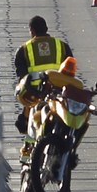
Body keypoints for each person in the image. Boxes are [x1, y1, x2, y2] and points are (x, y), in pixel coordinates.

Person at [13, 16, 73, 157]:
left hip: (35, 95)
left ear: (32, 31)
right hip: (60, 95)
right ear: (46, 29)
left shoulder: (24, 49)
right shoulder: (62, 46)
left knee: (30, 122)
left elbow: (22, 78)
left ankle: (28, 149)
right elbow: (71, 71)